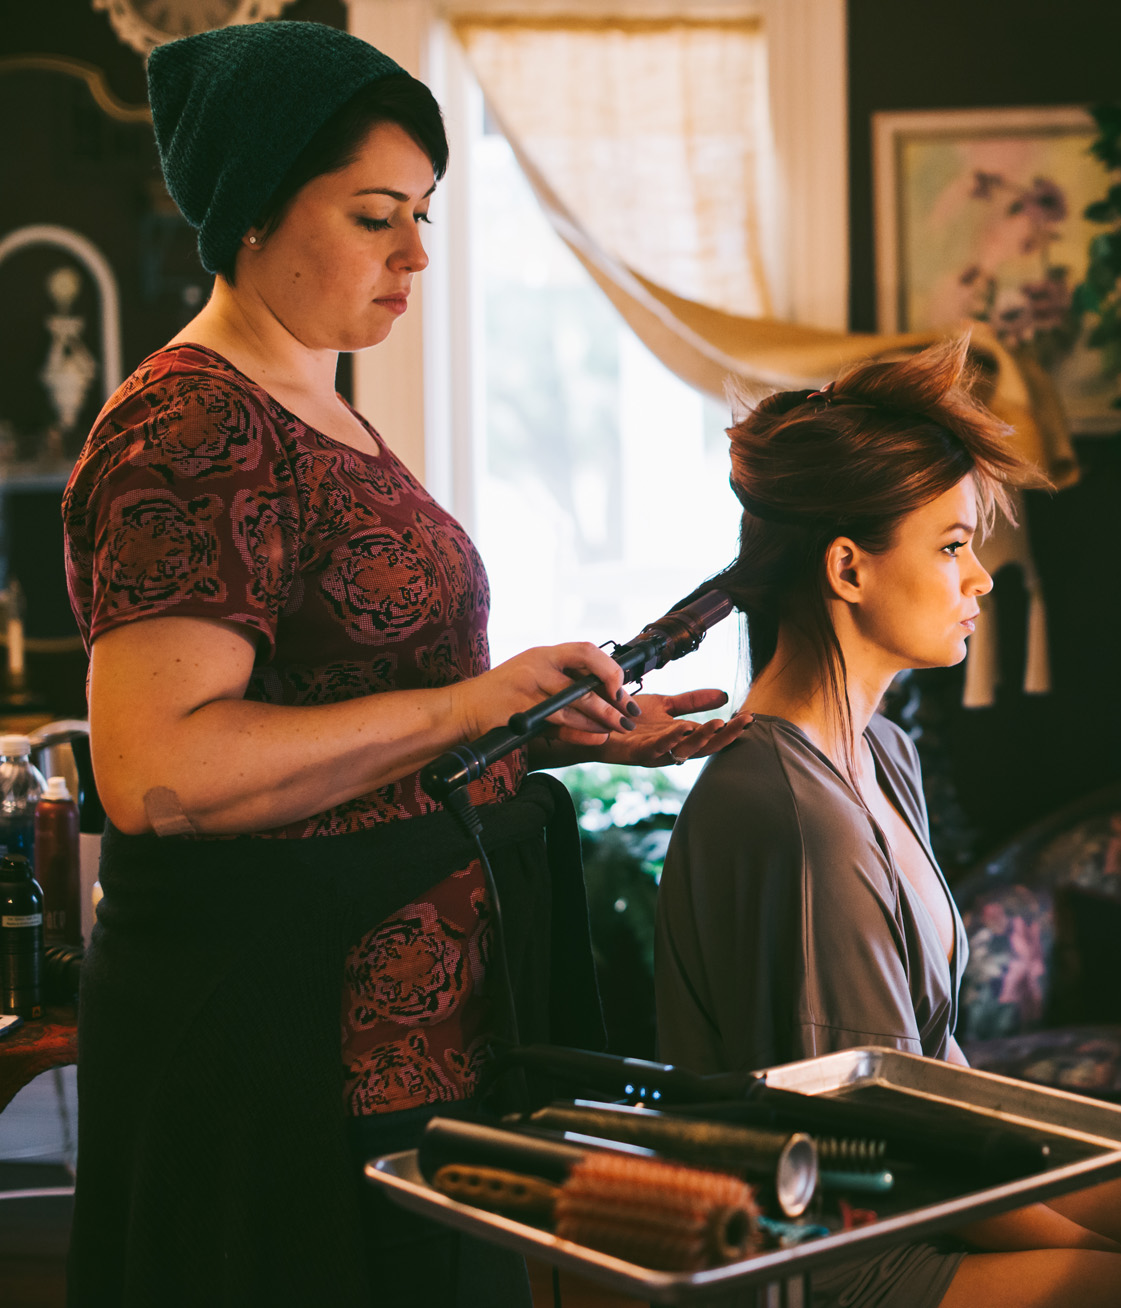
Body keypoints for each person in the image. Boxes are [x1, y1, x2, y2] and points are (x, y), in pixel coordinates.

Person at [59, 22, 746, 1307]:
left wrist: (529, 732)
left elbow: (334, 712)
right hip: (286, 1035)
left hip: (405, 1023)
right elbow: (160, 767)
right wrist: (471, 703)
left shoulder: (320, 406)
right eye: (378, 214)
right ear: (255, 210)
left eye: (423, 212)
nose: (416, 253)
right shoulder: (192, 422)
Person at [653, 339, 1121, 1308]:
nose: (982, 578)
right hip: (854, 1257)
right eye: (953, 545)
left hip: (935, 1182)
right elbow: (878, 1143)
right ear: (848, 567)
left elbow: (934, 1074)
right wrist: (1098, 1227)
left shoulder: (881, 756)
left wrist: (1101, 1150)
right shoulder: (792, 817)